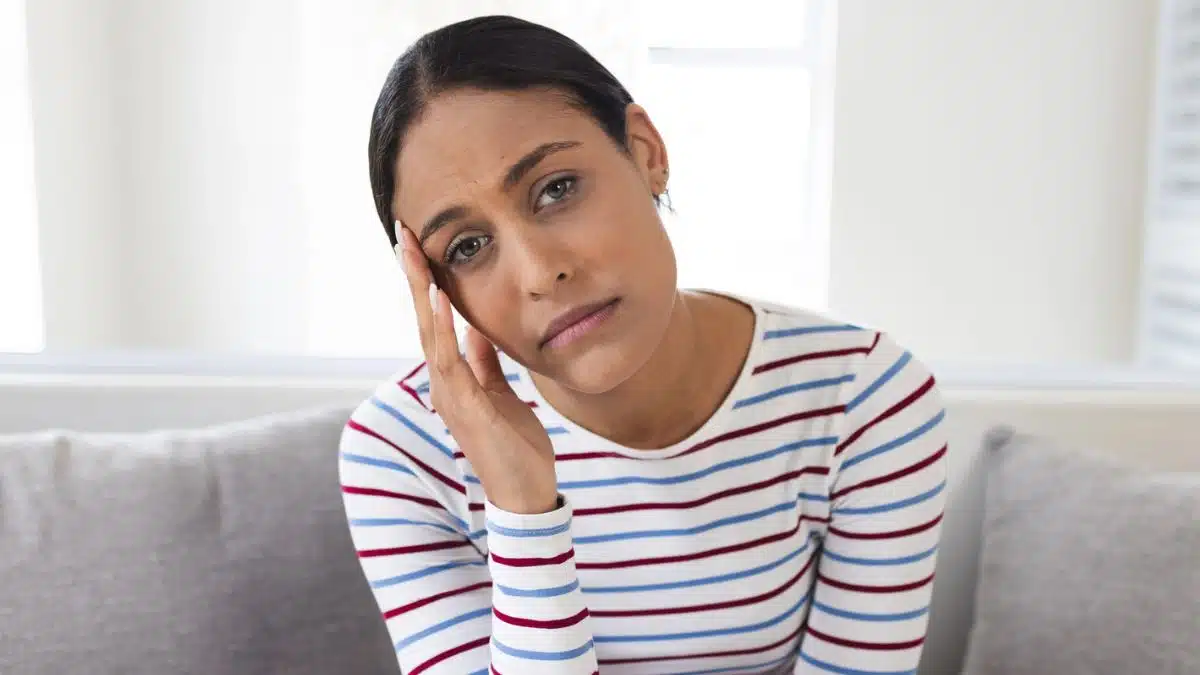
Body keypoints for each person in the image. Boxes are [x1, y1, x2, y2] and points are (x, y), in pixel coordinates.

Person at [339, 14, 949, 675]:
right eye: (468, 247)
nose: (542, 273)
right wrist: (522, 508)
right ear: (436, 287)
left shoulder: (864, 399)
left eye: (556, 189)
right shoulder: (402, 453)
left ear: (646, 152)